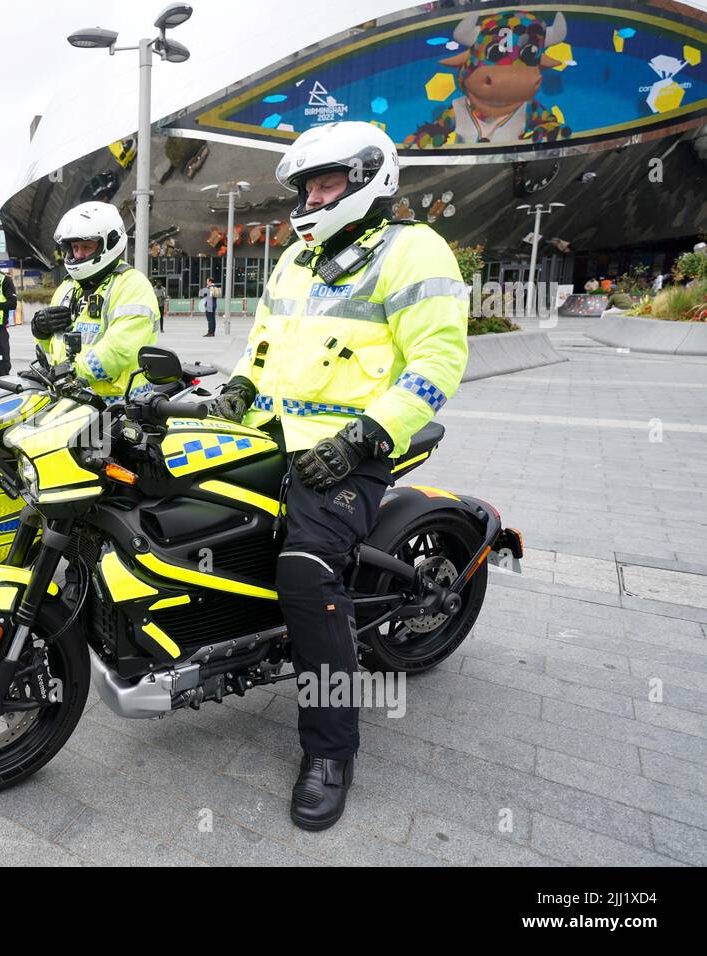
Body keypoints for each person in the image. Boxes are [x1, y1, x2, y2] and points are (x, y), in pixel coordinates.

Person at [210, 120, 469, 831]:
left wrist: (362, 439)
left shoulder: (413, 250)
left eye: (326, 183)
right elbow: (261, 346)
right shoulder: (297, 258)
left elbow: (438, 361)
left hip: (352, 449)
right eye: (306, 186)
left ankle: (332, 750)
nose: (312, 198)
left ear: (367, 180)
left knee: (303, 569)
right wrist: (235, 388)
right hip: (273, 435)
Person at [28, 201, 159, 401]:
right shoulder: (67, 287)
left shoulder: (132, 285)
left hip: (120, 403)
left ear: (111, 242)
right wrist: (41, 331)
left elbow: (119, 349)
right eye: (74, 247)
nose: (79, 254)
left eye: (86, 247)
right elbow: (52, 347)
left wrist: (72, 372)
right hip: (70, 395)